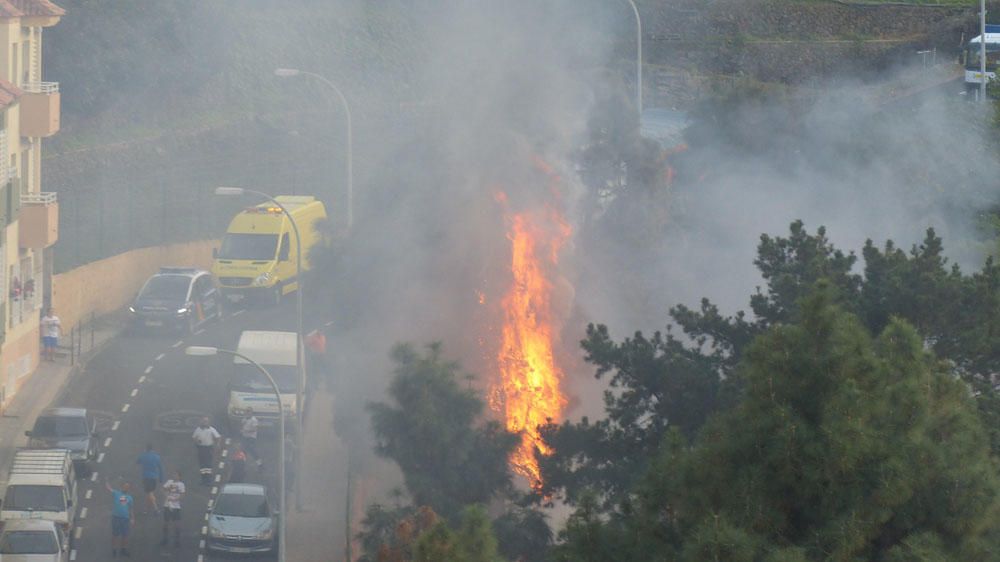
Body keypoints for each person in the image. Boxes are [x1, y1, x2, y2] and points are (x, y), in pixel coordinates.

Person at [105, 478, 135, 558]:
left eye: (128, 487)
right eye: (125, 486)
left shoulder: (129, 498)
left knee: (125, 535)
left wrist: (132, 518)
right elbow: (110, 489)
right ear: (121, 487)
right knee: (115, 535)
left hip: (125, 519)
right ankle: (114, 550)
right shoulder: (116, 493)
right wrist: (107, 484)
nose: (126, 488)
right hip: (116, 518)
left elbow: (131, 509)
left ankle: (123, 549)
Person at [191, 417, 221, 485]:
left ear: (208, 422)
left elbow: (218, 437)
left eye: (206, 421)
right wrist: (197, 441)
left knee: (208, 464)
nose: (205, 423)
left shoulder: (211, 429)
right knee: (202, 464)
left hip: (208, 448)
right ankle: (203, 479)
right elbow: (194, 438)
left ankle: (209, 480)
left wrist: (218, 444)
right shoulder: (198, 429)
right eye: (204, 421)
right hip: (201, 448)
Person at [135, 443, 164, 513]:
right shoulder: (157, 457)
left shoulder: (144, 456)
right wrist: (161, 478)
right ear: (152, 449)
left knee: (150, 493)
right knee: (150, 493)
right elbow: (160, 468)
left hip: (146, 477)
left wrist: (143, 454)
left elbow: (137, 461)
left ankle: (156, 509)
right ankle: (146, 509)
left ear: (146, 448)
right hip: (154, 478)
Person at [160, 471, 185, 548]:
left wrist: (176, 499)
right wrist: (166, 495)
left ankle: (177, 540)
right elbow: (163, 489)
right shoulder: (169, 482)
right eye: (174, 474)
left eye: (177, 475)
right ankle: (165, 539)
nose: (175, 476)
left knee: (177, 525)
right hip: (167, 505)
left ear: (180, 477)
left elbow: (183, 494)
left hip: (176, 507)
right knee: (165, 524)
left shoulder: (181, 484)